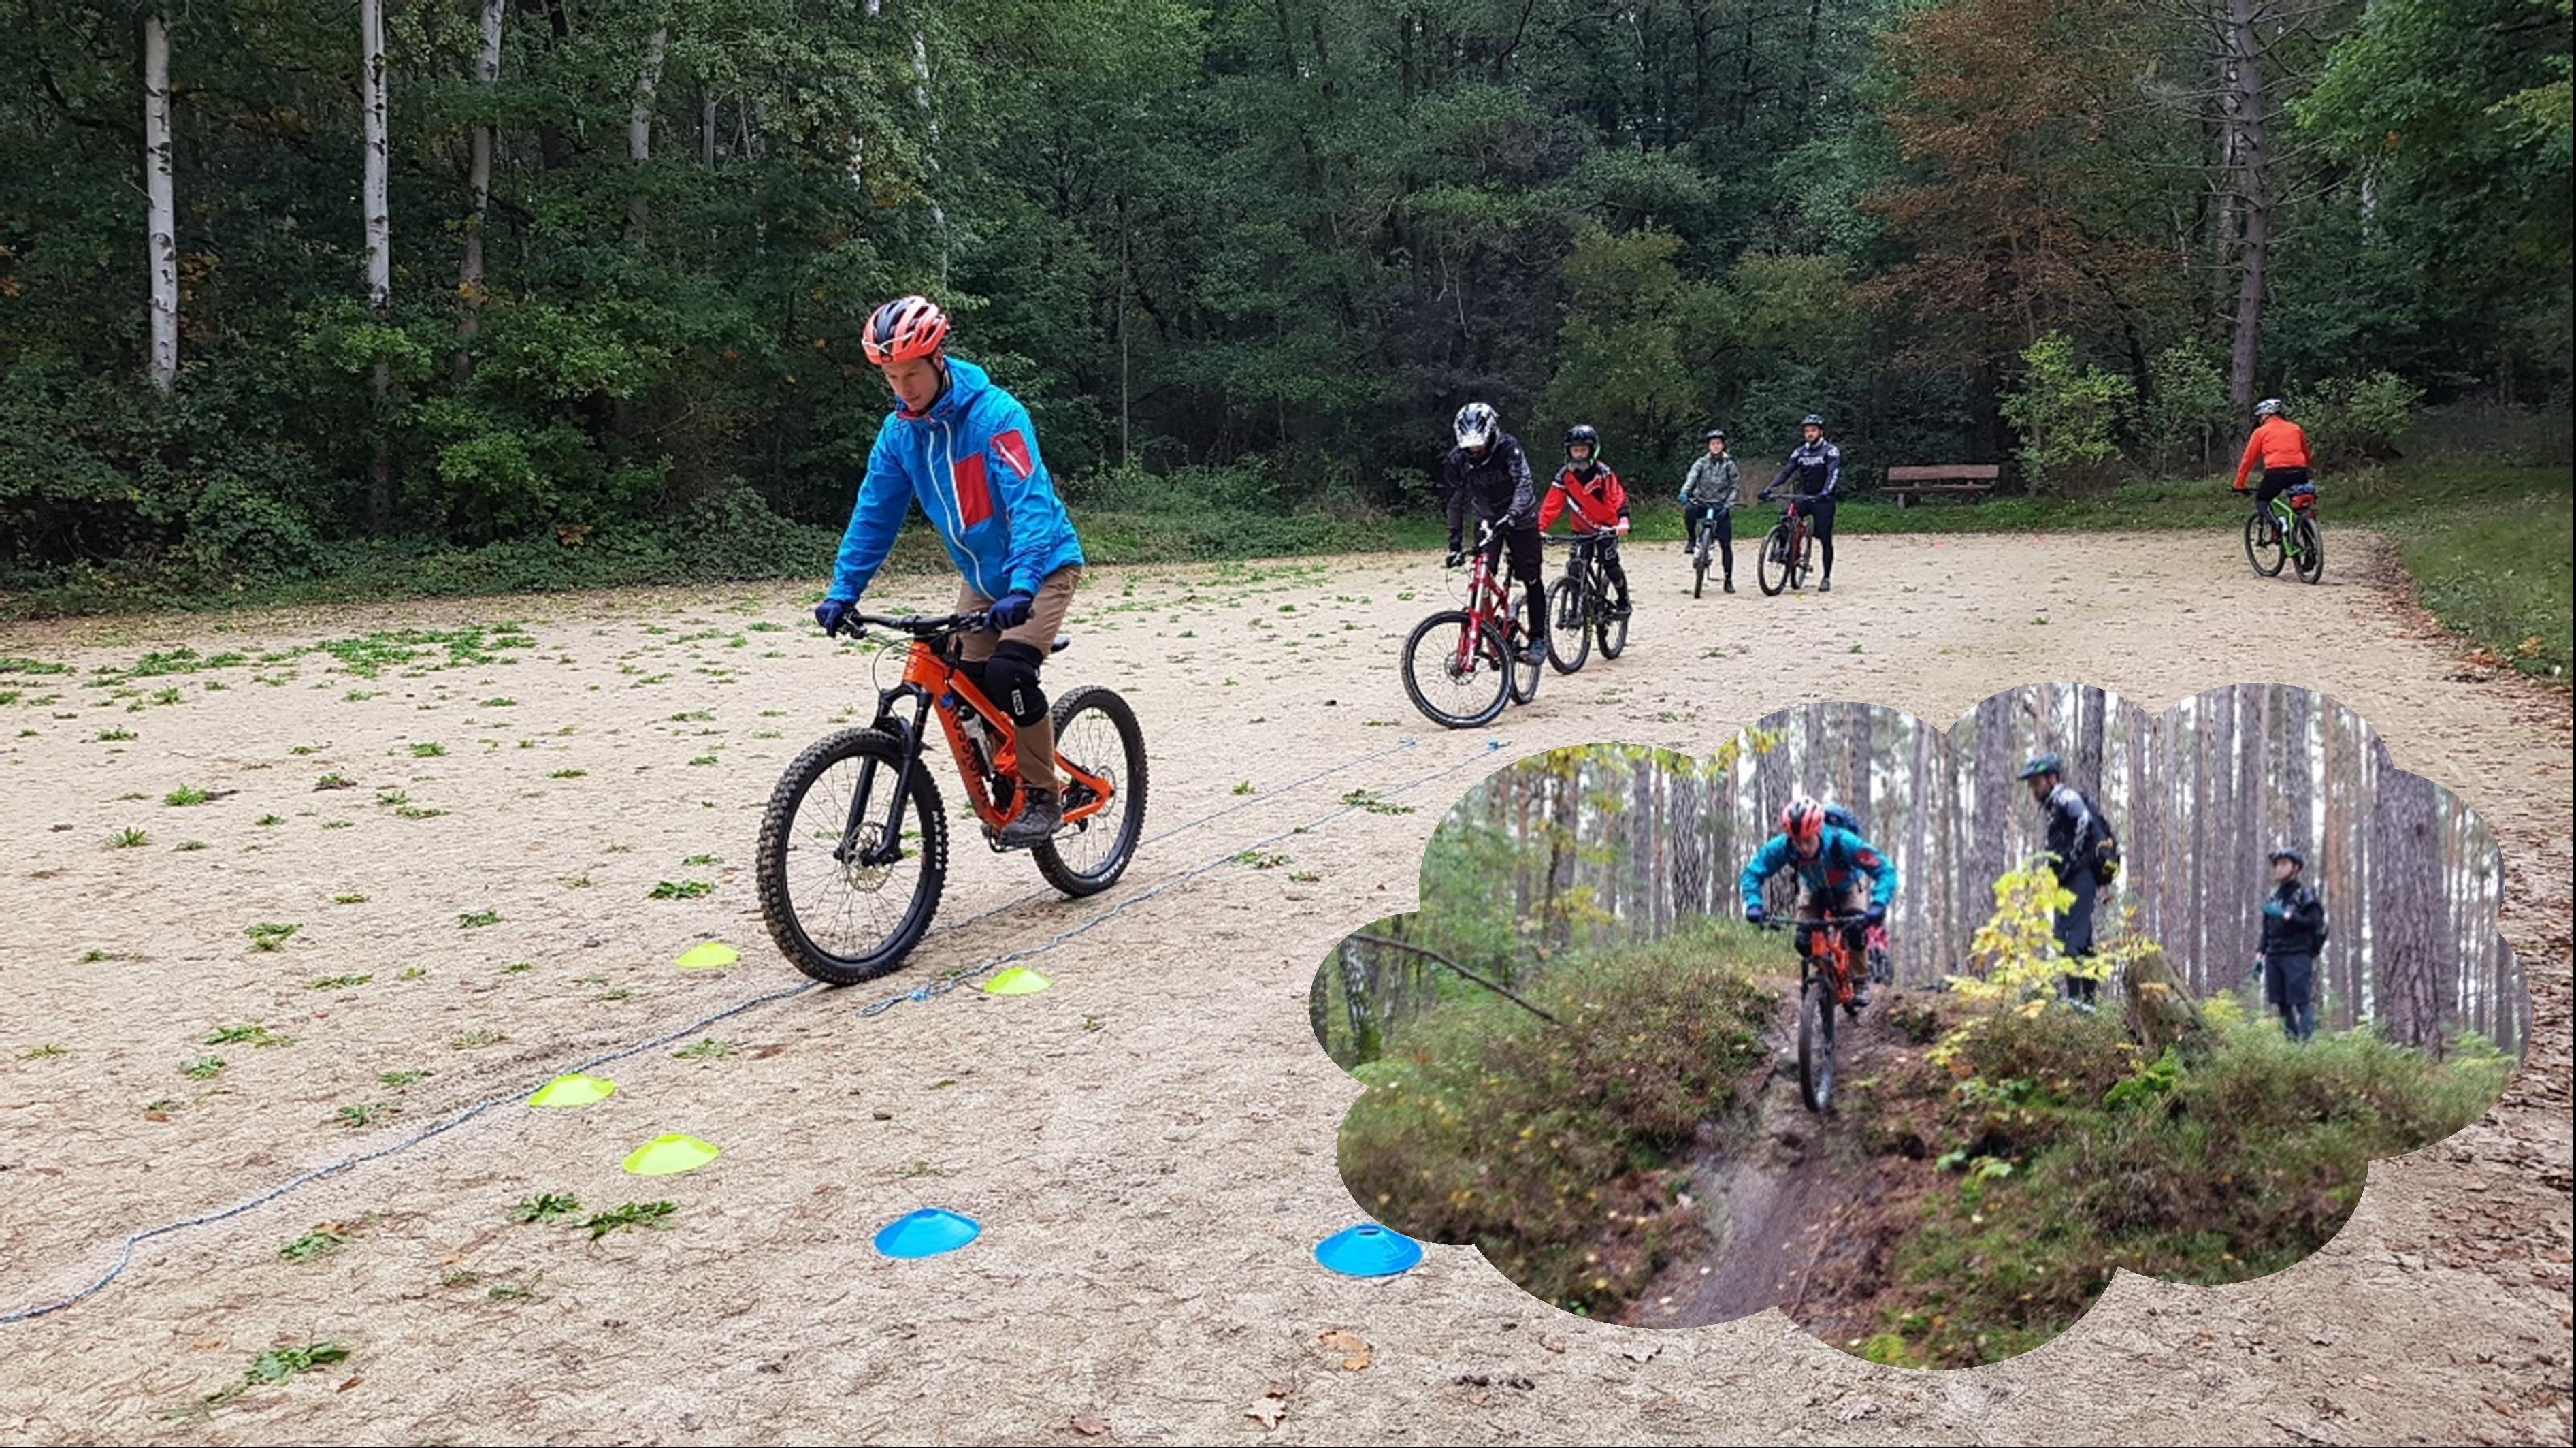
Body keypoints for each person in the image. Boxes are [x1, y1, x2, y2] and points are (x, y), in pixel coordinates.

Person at [814, 294, 1086, 849]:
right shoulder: (899, 435)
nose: (903, 387)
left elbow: (1029, 502)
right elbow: (875, 515)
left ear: (939, 360)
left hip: (1043, 567)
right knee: (960, 684)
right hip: (983, 578)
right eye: (891, 376)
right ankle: (1008, 768)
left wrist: (1025, 584)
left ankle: (1042, 793)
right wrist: (844, 591)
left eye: (912, 372)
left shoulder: (997, 417)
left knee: (1010, 672)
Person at [1740, 796, 1900, 1013]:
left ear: (1818, 830)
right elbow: (1753, 872)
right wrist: (1754, 904)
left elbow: (1884, 869)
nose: (1803, 847)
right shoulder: (1784, 847)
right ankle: (1826, 977)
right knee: (1803, 940)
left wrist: (1878, 904)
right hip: (1813, 888)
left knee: (1856, 931)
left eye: (1808, 840)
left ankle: (1860, 980)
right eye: (1798, 841)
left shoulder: (1843, 842)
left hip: (1848, 886)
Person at [1442, 402, 1548, 664]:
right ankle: (1485, 632)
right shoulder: (1457, 460)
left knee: (1531, 577)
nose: (1474, 450)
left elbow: (1524, 483)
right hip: (1487, 518)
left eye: (1479, 444)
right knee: (1482, 573)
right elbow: (1454, 501)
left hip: (1520, 517)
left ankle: (1537, 638)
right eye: (1469, 446)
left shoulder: (1508, 448)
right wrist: (1454, 544)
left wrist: (1512, 516)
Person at [2017, 752, 2118, 1010]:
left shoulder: (2064, 796)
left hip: (2080, 876)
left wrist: (2071, 859)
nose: (2032, 791)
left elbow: (2083, 819)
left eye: (2036, 784)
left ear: (2052, 779)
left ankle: (2079, 1001)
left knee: (2074, 937)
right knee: (2068, 936)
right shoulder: (2054, 804)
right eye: (2030, 786)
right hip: (2068, 880)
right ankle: (2086, 1001)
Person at [1537, 423, 1633, 620]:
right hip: (1580, 530)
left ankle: (1623, 599)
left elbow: (1618, 496)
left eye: (1583, 450)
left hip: (1607, 528)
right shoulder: (1564, 476)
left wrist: (1623, 520)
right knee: (1575, 567)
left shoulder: (1603, 472)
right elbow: (1551, 504)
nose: (1579, 455)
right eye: (1575, 450)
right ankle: (1577, 608)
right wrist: (1539, 528)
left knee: (1609, 563)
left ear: (1592, 450)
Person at [2254, 846, 2328, 1042]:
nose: (2278, 868)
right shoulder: (2273, 899)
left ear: (2296, 868)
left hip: (2297, 954)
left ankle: (2308, 1049)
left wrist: (2288, 915)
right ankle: (2293, 1049)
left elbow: (2314, 923)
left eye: (2284, 864)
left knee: (2301, 1003)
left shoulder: (2305, 895)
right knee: (2282, 1004)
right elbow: (2266, 931)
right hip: (2274, 956)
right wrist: (2259, 957)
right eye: (2277, 864)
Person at [1765, 413, 1845, 592]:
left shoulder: (1830, 451)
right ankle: (1782, 550)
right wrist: (1769, 488)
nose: (1809, 434)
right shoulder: (1800, 452)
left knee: (1825, 538)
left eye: (1813, 430)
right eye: (1807, 431)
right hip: (1805, 496)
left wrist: (1826, 492)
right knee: (1785, 517)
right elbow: (1786, 473)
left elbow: (1833, 474)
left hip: (1823, 499)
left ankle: (1826, 577)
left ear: (1820, 432)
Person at [2232, 398, 2313, 536]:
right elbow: (2306, 453)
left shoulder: (2260, 432)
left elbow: (2248, 460)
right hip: (2300, 470)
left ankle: (2278, 525)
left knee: (2262, 501)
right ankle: (2310, 546)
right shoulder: (2295, 428)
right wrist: (2305, 469)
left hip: (2276, 472)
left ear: (2267, 415)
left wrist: (2239, 484)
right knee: (2300, 504)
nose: (2260, 418)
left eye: (2261, 415)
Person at [1678, 428, 1740, 592]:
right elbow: (1692, 477)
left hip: (1720, 505)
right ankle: (1692, 539)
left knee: (1726, 545)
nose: (1715, 446)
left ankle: (1728, 580)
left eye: (1718, 443)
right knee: (1690, 510)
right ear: (1709, 446)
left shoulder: (1729, 465)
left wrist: (1729, 503)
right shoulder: (1701, 463)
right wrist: (1685, 492)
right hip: (1702, 502)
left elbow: (1734, 486)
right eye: (1713, 443)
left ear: (1723, 445)